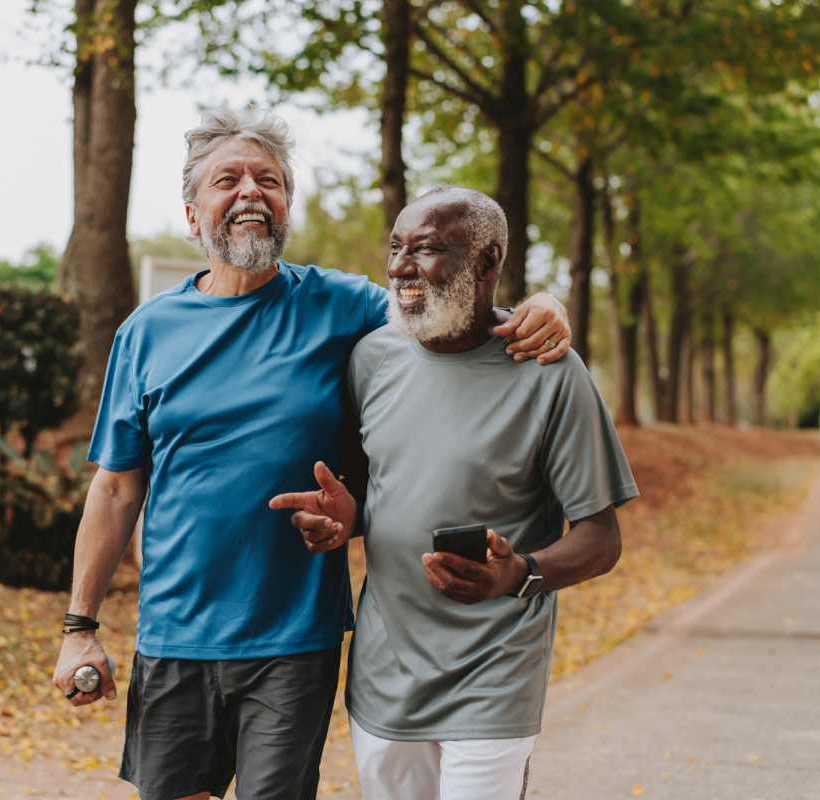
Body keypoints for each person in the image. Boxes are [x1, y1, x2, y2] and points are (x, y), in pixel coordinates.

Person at [50, 109, 574, 800]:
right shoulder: (146, 333)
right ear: (191, 213)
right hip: (174, 633)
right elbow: (116, 489)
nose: (249, 192)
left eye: (268, 180)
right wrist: (79, 627)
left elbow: (449, 313)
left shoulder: (342, 306)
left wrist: (540, 303)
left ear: (287, 207)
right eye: (226, 180)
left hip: (293, 636)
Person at [270, 186, 638, 800]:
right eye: (395, 248)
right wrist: (342, 518)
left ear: (488, 261)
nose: (400, 266)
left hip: (493, 674)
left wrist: (520, 573)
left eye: (428, 249)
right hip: (386, 673)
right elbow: (374, 488)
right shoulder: (372, 358)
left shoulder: (549, 372)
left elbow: (601, 540)